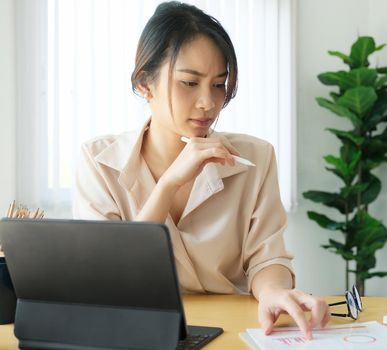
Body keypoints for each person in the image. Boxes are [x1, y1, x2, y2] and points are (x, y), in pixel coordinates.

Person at [73, 1, 329, 339]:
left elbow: (267, 258)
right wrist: (168, 185)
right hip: (135, 334)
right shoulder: (98, 161)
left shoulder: (255, 158)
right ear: (144, 83)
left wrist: (273, 292)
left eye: (219, 84)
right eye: (190, 83)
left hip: (232, 331)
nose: (208, 102)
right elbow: (109, 282)